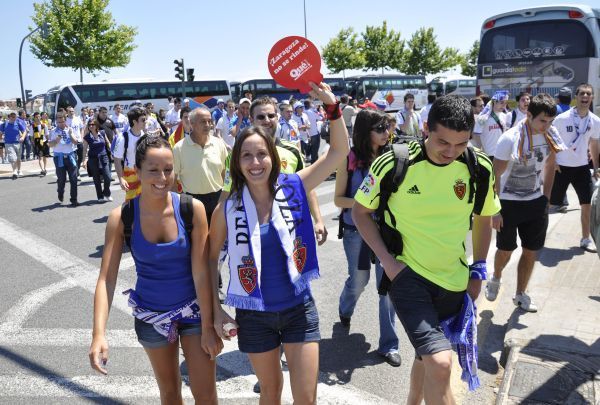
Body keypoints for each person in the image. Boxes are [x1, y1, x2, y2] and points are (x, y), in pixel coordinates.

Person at [353, 95, 501, 404]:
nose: (451, 152)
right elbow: (360, 212)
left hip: (454, 279)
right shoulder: (393, 162)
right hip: (408, 276)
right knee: (440, 362)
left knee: (427, 357)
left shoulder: (479, 166)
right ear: (425, 129)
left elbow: (484, 216)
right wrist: (389, 263)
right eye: (443, 142)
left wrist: (479, 269)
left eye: (461, 144)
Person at [209, 82, 349, 405]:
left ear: (272, 157)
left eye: (261, 154)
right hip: (253, 315)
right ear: (237, 163)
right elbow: (207, 259)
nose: (255, 162)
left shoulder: (294, 185)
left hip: (299, 309)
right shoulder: (227, 209)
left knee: (306, 398)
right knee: (270, 393)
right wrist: (216, 310)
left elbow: (339, 152)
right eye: (246, 156)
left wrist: (332, 107)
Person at [89, 135, 221, 404]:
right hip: (151, 316)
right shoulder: (122, 217)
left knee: (206, 395)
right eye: (153, 170)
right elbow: (107, 280)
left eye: (168, 170)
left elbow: (201, 272)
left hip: (195, 312)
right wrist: (98, 334)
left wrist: (208, 324)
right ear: (136, 170)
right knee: (170, 393)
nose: (162, 177)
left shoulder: (191, 209)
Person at [485, 93, 567, 312]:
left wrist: (546, 199)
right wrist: (495, 211)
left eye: (550, 121)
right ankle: (496, 276)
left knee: (531, 251)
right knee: (506, 250)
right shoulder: (509, 139)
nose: (546, 126)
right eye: (542, 121)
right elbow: (495, 176)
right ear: (529, 115)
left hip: (535, 202)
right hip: (508, 204)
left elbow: (550, 167)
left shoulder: (552, 135)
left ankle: (521, 294)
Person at [334, 108, 401, 367]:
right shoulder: (349, 160)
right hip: (356, 231)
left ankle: (389, 345)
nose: (387, 133)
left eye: (387, 127)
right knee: (359, 280)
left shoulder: (394, 156)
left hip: (387, 232)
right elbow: (339, 199)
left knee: (386, 287)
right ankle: (344, 307)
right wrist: (366, 204)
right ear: (365, 132)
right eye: (380, 129)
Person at [549, 84, 600, 252]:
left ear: (591, 98)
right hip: (561, 168)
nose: (585, 96)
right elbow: (551, 139)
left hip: (582, 168)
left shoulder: (595, 121)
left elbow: (594, 143)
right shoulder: (562, 118)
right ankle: (536, 237)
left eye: (588, 94)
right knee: (549, 204)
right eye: (582, 94)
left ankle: (585, 239)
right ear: (576, 97)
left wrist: (597, 167)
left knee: (587, 204)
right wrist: (553, 161)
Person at [173, 108, 228, 224]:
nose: (208, 125)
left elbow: (225, 173)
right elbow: (173, 179)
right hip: (191, 200)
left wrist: (226, 196)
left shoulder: (219, 144)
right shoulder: (179, 148)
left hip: (218, 198)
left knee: (217, 237)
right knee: (196, 239)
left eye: (210, 121)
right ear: (191, 123)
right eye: (203, 121)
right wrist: (176, 202)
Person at [113, 107, 147, 201]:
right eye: (143, 120)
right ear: (135, 122)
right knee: (132, 201)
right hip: (130, 173)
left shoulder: (144, 135)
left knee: (145, 200)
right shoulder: (123, 138)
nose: (145, 122)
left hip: (144, 172)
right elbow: (117, 159)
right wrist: (121, 178)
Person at [48, 112, 79, 206]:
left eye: (62, 121)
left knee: (73, 179)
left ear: (65, 120)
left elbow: (75, 142)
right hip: (59, 157)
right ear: (56, 122)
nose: (61, 124)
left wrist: (71, 134)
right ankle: (60, 191)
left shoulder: (70, 129)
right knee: (62, 179)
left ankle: (74, 199)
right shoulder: (53, 131)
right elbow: (49, 144)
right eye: (58, 122)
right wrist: (55, 141)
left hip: (70, 156)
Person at [472, 90, 510, 160]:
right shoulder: (483, 117)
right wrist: (480, 150)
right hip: (488, 154)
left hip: (501, 153)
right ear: (495, 102)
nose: (504, 105)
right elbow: (476, 135)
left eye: (505, 103)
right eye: (501, 103)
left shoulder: (505, 116)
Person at [82, 119, 113, 202]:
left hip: (104, 157)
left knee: (108, 177)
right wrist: (84, 160)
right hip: (93, 158)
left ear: (96, 125)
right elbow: (84, 149)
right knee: (96, 178)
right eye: (89, 125)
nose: (91, 126)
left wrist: (112, 151)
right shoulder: (87, 137)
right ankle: (100, 197)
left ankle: (106, 193)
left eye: (93, 124)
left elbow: (108, 142)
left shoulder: (102, 133)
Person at [0, 112, 26, 179]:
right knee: (12, 158)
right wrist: (0, 138)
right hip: (8, 143)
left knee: (18, 158)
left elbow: (24, 131)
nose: (14, 118)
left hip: (18, 143)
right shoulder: (4, 124)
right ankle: (14, 171)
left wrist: (22, 137)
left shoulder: (17, 123)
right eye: (13, 117)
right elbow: (0, 132)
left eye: (15, 117)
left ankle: (19, 170)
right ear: (9, 117)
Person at [66, 106, 85, 178]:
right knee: (74, 157)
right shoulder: (66, 120)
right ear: (67, 112)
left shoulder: (77, 119)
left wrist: (82, 137)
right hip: (71, 142)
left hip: (79, 140)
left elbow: (81, 128)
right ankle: (76, 172)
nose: (72, 113)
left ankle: (77, 169)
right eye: (70, 111)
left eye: (72, 111)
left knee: (80, 157)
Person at [304, 99, 322, 164]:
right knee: (315, 149)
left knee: (309, 148)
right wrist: (319, 110)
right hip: (314, 133)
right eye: (312, 103)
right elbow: (321, 117)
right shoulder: (312, 111)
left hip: (306, 134)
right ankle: (314, 164)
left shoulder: (303, 112)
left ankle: (311, 159)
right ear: (310, 104)